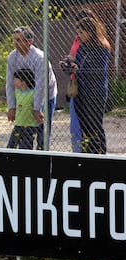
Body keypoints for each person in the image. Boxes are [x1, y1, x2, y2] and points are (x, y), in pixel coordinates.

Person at [59, 9, 110, 153]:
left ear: (90, 32)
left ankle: (100, 153)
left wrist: (78, 70)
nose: (79, 36)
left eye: (81, 32)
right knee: (84, 126)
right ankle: (87, 153)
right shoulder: (82, 48)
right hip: (81, 91)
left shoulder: (102, 48)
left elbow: (98, 72)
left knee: (95, 125)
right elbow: (78, 66)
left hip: (95, 93)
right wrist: (67, 66)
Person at [6, 26, 58, 150]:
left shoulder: (39, 58)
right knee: (24, 130)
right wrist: (12, 106)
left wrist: (37, 109)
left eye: (19, 40)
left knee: (42, 131)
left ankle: (43, 154)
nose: (16, 43)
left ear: (29, 42)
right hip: (24, 97)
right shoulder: (12, 57)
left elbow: (41, 86)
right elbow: (9, 83)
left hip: (46, 96)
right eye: (15, 40)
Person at [7, 68, 38, 149]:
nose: (13, 81)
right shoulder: (17, 91)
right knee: (11, 147)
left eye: (15, 79)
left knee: (25, 147)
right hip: (18, 125)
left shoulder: (34, 93)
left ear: (23, 81)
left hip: (30, 126)